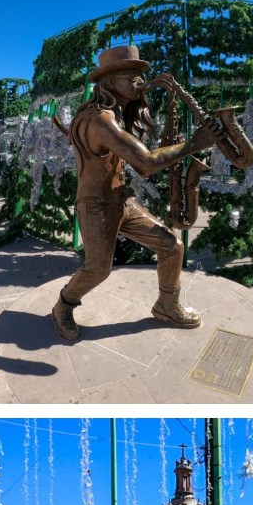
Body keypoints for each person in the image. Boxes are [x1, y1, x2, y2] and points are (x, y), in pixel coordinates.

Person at [51, 44, 225, 343]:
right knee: (97, 270)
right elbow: (146, 163)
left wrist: (174, 145)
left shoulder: (110, 114)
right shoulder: (100, 120)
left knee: (171, 246)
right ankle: (63, 306)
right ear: (110, 82)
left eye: (138, 76)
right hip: (95, 206)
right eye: (131, 77)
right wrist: (194, 144)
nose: (139, 82)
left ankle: (166, 306)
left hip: (121, 199)